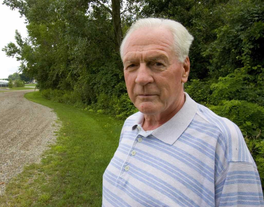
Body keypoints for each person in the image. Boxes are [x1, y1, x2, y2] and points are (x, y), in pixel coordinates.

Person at [102, 18, 264, 207]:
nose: (142, 78)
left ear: (184, 69)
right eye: (132, 65)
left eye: (157, 63)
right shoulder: (131, 124)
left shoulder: (221, 139)